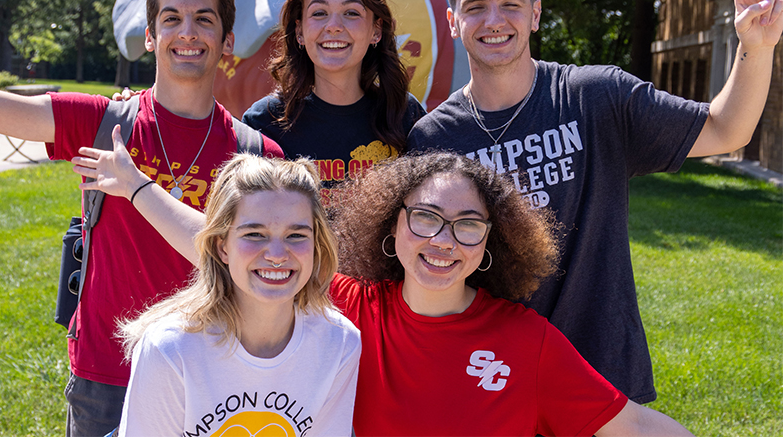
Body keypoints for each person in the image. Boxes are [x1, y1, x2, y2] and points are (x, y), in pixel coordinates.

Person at [71, 143, 695, 436]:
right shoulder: (342, 310)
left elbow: (633, 428)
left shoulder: (522, 339)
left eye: (467, 225)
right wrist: (137, 187)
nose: (442, 240)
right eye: (424, 219)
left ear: (489, 245)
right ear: (390, 230)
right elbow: (245, 248)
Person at [405, 0, 783, 403]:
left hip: (601, 370)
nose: (494, 20)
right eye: (476, 6)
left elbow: (727, 129)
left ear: (536, 14)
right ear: (453, 22)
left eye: (511, 3)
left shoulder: (596, 96)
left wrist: (756, 47)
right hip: (492, 376)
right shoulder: (432, 137)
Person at [0, 0, 283, 435]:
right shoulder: (102, 122)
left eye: (204, 19)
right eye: (171, 18)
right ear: (151, 36)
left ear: (226, 42)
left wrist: (136, 185)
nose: (188, 32)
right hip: (105, 374)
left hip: (210, 372)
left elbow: (255, 264)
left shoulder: (257, 155)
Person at [115, 154, 360, 436]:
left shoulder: (339, 343)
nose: (278, 255)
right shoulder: (170, 348)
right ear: (222, 247)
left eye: (296, 235)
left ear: (317, 245)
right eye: (255, 234)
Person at [241, 0, 425, 205]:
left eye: (351, 13)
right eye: (319, 13)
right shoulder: (263, 123)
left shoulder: (406, 115)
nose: (334, 26)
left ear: (376, 30)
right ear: (300, 32)